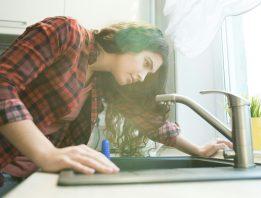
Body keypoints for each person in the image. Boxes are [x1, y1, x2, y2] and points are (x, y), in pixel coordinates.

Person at [0, 16, 232, 194]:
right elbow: (3, 84)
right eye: (146, 64)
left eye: (148, 74)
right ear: (130, 42)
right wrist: (48, 154)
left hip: (30, 176)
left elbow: (150, 123)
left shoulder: (103, 81)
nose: (142, 77)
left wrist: (198, 150)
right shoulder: (66, 33)